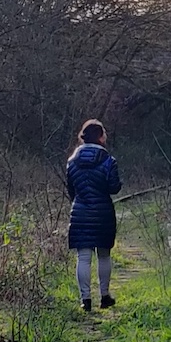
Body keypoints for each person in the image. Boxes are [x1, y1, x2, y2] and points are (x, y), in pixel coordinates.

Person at [64, 119, 122, 312]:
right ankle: (105, 296)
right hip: (103, 213)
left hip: (79, 212)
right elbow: (114, 188)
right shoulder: (108, 161)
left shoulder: (72, 162)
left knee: (83, 257)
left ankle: (85, 300)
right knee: (104, 255)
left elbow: (71, 190)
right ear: (99, 137)